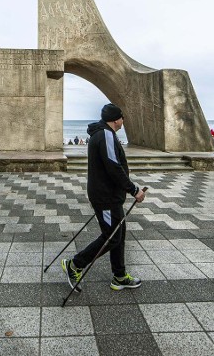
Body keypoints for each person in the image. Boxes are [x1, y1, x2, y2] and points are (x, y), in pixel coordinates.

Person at [63, 103, 145, 291]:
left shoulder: (102, 134)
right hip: (106, 197)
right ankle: (75, 264)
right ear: (116, 119)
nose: (123, 120)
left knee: (118, 234)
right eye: (122, 117)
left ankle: (119, 276)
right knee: (112, 237)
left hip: (109, 196)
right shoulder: (106, 135)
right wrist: (133, 190)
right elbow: (113, 166)